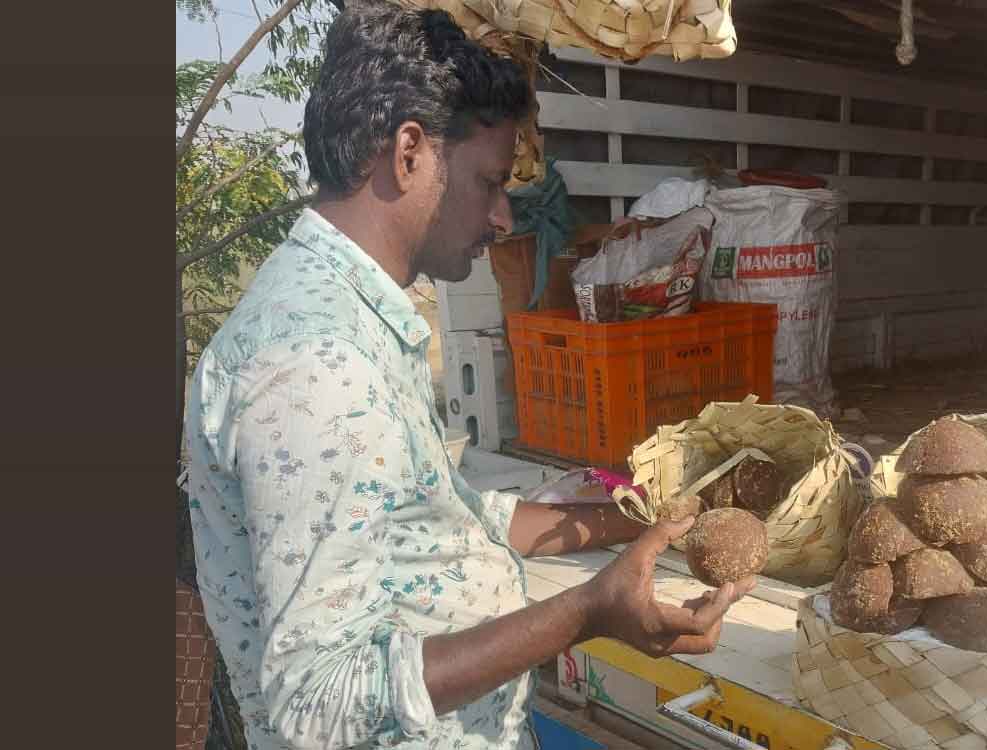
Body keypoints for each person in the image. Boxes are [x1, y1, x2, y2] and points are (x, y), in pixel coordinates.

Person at [183, 5, 756, 750]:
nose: (500, 217)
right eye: (488, 181)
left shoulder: (354, 321)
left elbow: (439, 516)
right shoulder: (315, 364)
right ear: (410, 153)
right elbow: (319, 704)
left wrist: (651, 519)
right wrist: (585, 613)